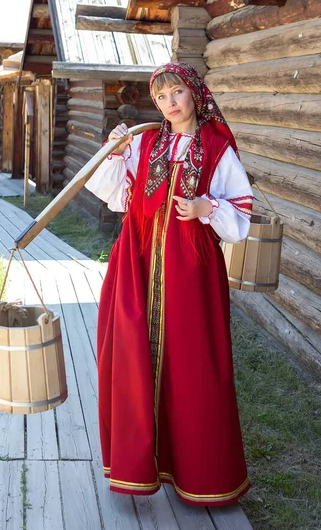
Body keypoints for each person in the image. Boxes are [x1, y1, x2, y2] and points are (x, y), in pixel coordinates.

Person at [85, 62, 253, 506]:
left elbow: (239, 219)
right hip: (137, 263)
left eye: (176, 92)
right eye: (160, 97)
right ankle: (138, 466)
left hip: (190, 272)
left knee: (193, 369)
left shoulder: (217, 149)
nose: (169, 104)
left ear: (194, 94)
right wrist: (116, 151)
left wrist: (205, 207)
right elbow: (119, 195)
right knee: (131, 362)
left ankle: (200, 474)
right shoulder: (146, 142)